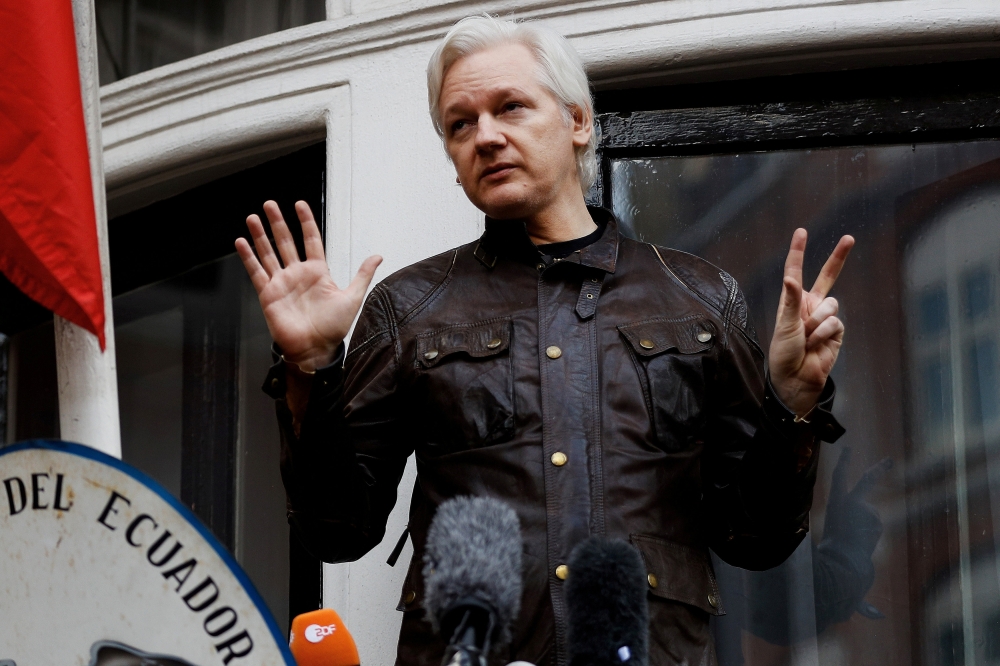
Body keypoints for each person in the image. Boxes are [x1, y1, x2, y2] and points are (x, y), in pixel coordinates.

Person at [235, 15, 853, 666]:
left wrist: (791, 405)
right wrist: (310, 368)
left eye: (511, 107)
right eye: (460, 124)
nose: (486, 136)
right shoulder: (409, 306)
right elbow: (337, 531)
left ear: (577, 121)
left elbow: (756, 538)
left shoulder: (697, 296)